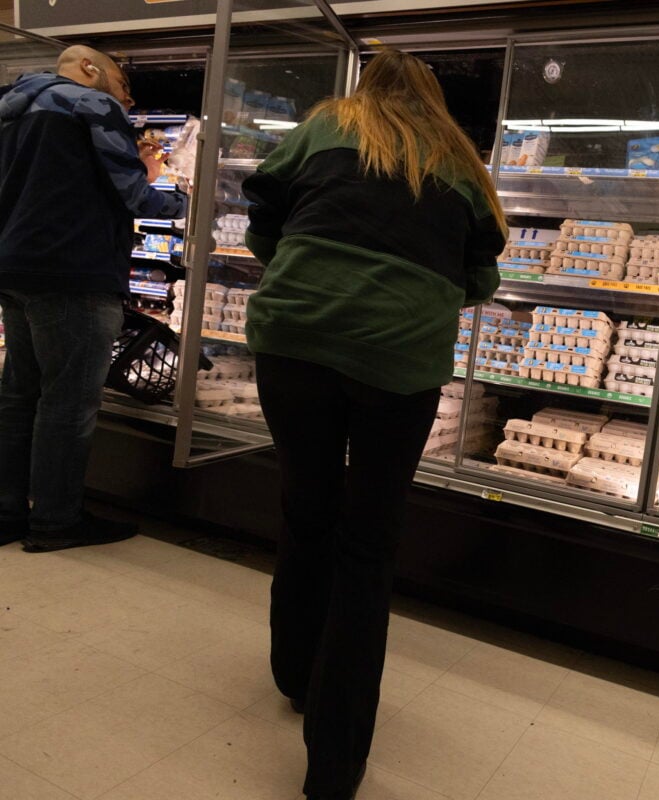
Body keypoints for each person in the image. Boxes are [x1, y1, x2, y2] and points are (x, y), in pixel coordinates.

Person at [241, 49, 505, 800]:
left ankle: (294, 673)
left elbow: (265, 216)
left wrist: (305, 268)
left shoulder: (326, 124)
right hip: (401, 363)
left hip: (295, 340)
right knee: (368, 545)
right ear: (433, 98)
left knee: (306, 506)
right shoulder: (457, 159)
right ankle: (334, 767)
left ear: (368, 87)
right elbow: (479, 274)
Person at [0, 45, 188, 552]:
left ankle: (7, 513)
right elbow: (135, 196)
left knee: (20, 395)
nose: (125, 101)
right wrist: (186, 195)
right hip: (74, 269)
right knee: (68, 400)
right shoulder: (90, 104)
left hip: (16, 264)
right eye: (123, 86)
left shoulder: (12, 107)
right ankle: (57, 521)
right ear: (89, 69)